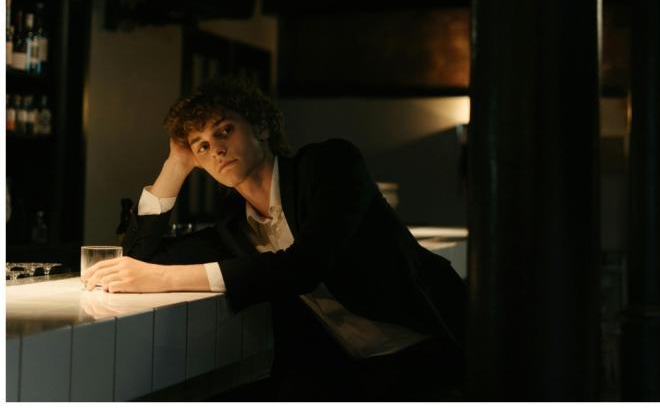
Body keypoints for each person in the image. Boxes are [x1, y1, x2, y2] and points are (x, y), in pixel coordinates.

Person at [81, 77, 467, 400]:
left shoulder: (328, 164)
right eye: (201, 145)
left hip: (429, 348)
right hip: (350, 371)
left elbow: (304, 266)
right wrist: (175, 166)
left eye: (224, 131)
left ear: (262, 128)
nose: (215, 148)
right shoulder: (236, 224)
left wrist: (165, 279)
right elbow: (138, 256)